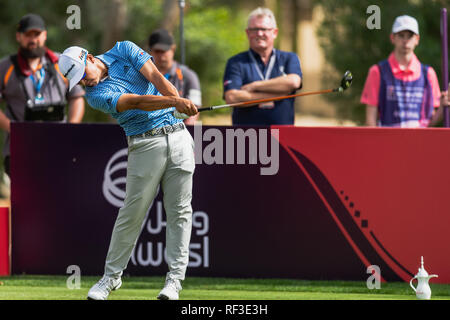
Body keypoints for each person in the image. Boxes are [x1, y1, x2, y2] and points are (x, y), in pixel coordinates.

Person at [58, 40, 198, 300]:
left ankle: (174, 282)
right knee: (131, 214)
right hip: (145, 145)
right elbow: (136, 102)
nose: (84, 83)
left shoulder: (124, 49)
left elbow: (155, 75)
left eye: (82, 76)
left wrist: (177, 101)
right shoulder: (95, 96)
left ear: (89, 57)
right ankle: (111, 278)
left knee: (180, 212)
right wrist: (176, 102)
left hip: (179, 137)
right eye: (76, 82)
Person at [0, 14, 85, 176]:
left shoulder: (63, 62)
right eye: (27, 35)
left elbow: (77, 97)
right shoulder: (5, 67)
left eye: (37, 34)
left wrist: (71, 129)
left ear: (44, 35)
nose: (33, 39)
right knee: (25, 199)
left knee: (59, 196)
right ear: (19, 37)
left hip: (59, 147)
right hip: (19, 149)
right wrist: (13, 128)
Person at [223, 7, 302, 125]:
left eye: (264, 29)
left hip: (283, 137)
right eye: (254, 29)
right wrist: (278, 94)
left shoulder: (289, 58)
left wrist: (254, 86)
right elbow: (232, 97)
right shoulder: (236, 62)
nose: (259, 33)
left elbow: (293, 82)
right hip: (245, 137)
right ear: (247, 33)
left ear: (274, 32)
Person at [361, 15, 441, 127]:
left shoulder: (428, 73)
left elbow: (429, 121)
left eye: (410, 36)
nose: (405, 41)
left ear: (417, 39)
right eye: (401, 35)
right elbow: (371, 121)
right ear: (392, 38)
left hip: (419, 143)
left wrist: (443, 108)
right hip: (388, 142)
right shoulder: (377, 71)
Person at [148, 29, 201, 125]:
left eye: (164, 51)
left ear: (173, 49)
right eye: (157, 51)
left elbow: (195, 109)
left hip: (179, 130)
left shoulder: (189, 75)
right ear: (150, 51)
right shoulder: (143, 75)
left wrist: (187, 130)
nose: (161, 56)